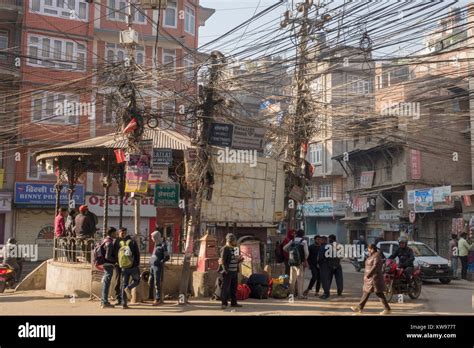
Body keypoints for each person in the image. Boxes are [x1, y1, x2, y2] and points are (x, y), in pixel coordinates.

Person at [351, 244, 391, 315]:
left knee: (378, 293)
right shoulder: (372, 255)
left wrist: (369, 274)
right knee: (367, 292)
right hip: (370, 279)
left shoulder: (377, 256)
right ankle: (359, 307)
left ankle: (387, 309)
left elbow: (375, 266)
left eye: (369, 249)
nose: (368, 251)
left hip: (374, 278)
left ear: (372, 249)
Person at [219, 233, 244, 309]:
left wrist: (240, 260)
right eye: (234, 240)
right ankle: (224, 303)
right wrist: (225, 270)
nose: (235, 242)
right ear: (230, 241)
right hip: (228, 271)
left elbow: (236, 259)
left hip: (234, 271)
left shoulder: (236, 248)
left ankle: (234, 302)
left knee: (234, 288)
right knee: (225, 288)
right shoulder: (225, 248)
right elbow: (223, 261)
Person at [283, 229, 309, 299]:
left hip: (292, 262)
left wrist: (290, 253)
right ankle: (300, 295)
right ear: (303, 235)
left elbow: (284, 248)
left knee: (292, 278)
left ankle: (291, 294)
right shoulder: (303, 241)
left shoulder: (292, 241)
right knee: (299, 279)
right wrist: (305, 259)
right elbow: (306, 253)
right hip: (300, 263)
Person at [119, 228, 141, 309]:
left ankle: (124, 304)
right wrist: (137, 264)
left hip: (123, 267)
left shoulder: (120, 243)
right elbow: (137, 254)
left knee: (123, 284)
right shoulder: (133, 242)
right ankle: (129, 288)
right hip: (133, 266)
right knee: (137, 280)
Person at [149, 230, 169, 306]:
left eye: (152, 237)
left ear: (156, 237)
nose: (152, 239)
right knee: (150, 281)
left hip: (157, 267)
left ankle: (158, 299)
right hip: (152, 266)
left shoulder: (163, 245)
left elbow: (167, 257)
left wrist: (161, 262)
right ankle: (152, 296)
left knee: (157, 283)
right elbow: (154, 255)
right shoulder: (155, 245)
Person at [100, 227, 118, 309]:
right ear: (111, 233)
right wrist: (115, 261)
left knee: (105, 283)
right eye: (115, 233)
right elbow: (108, 256)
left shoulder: (105, 240)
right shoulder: (110, 243)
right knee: (107, 284)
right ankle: (105, 302)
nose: (116, 234)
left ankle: (103, 301)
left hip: (105, 264)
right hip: (108, 265)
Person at [112, 227, 126, 305]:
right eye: (122, 233)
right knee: (118, 281)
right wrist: (115, 262)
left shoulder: (126, 241)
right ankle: (118, 298)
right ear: (119, 232)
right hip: (118, 264)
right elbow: (113, 253)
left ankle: (124, 299)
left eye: (125, 233)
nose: (123, 234)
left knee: (124, 281)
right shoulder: (116, 241)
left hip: (125, 264)